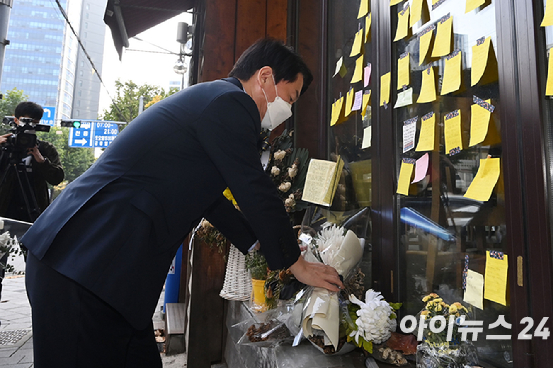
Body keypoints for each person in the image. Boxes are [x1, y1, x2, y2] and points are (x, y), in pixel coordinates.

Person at [22, 38, 344, 367]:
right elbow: (254, 187)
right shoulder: (231, 103)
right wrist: (296, 264)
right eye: (290, 98)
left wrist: (259, 243)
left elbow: (209, 199)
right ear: (264, 77)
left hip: (101, 271)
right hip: (85, 262)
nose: (286, 112)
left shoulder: (213, 100)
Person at [0, 101, 63, 301]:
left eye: (34, 123)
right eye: (25, 121)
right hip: (3, 216)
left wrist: (40, 158)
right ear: (15, 120)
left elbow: (57, 177)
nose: (29, 127)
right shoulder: (4, 144)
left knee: (38, 274)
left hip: (32, 217)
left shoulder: (44, 148)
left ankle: (41, 320)